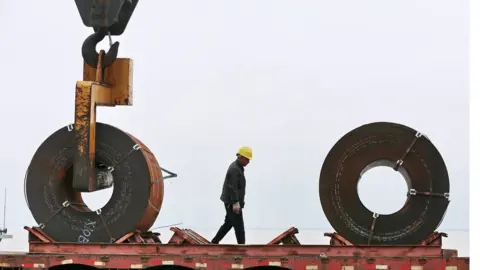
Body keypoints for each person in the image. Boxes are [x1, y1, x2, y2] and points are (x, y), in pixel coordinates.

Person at [211, 146, 252, 244]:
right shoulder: (234, 169)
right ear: (240, 157)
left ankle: (213, 243)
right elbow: (232, 187)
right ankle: (242, 248)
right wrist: (235, 203)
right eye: (247, 159)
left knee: (228, 224)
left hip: (233, 202)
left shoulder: (239, 168)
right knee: (239, 227)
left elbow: (239, 188)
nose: (248, 162)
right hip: (232, 203)